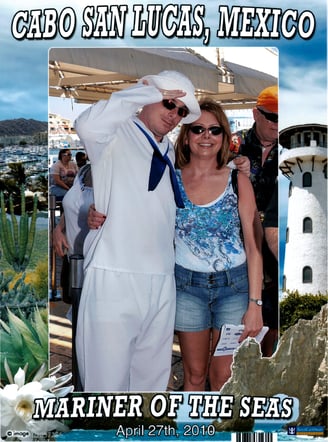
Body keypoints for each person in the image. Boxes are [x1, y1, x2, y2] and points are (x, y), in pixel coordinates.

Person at [73, 70, 201, 392]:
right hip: (114, 273)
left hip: (160, 278)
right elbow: (85, 124)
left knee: (151, 384)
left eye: (181, 111)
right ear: (146, 98)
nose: (174, 115)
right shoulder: (114, 132)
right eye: (170, 104)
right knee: (105, 387)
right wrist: (141, 92)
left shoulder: (169, 151)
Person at [173, 98, 263, 391]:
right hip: (187, 288)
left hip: (234, 289)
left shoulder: (238, 179)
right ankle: (192, 435)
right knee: (195, 375)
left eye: (214, 130)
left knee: (224, 377)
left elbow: (253, 246)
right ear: (186, 136)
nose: (206, 136)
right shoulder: (169, 181)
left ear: (225, 136)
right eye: (197, 129)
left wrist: (255, 304)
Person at [235, 85, 279, 357]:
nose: (278, 124)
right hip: (239, 243)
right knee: (238, 314)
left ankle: (265, 364)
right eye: (272, 117)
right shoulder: (230, 143)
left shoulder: (293, 145)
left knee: (273, 316)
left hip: (275, 245)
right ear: (255, 113)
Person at [53, 163, 93, 390]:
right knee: (80, 336)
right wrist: (58, 230)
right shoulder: (85, 170)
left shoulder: (122, 170)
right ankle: (81, 391)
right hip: (76, 265)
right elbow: (70, 208)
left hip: (102, 269)